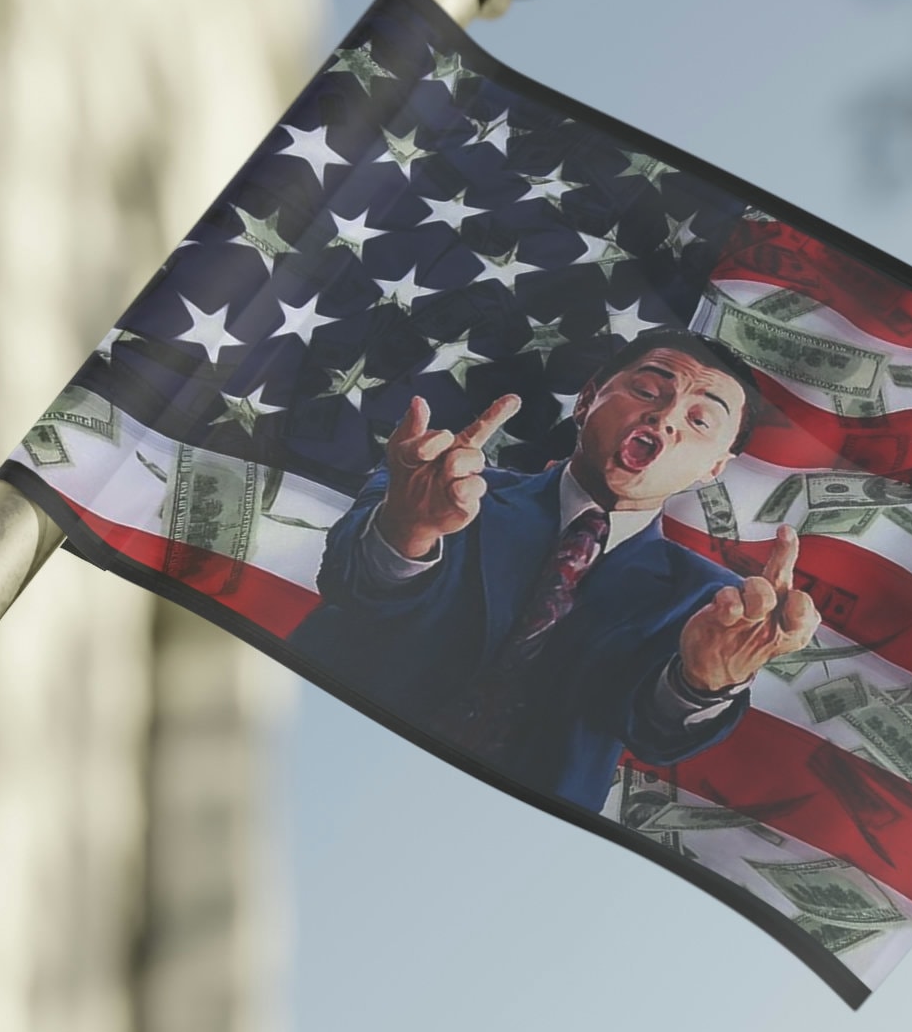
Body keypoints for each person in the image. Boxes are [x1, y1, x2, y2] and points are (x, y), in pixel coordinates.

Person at [290, 329, 820, 811]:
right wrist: (408, 530)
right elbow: (352, 586)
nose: (663, 420)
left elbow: (653, 731)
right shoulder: (437, 483)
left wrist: (705, 686)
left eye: (700, 421)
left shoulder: (711, 604)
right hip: (315, 750)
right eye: (648, 392)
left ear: (714, 468)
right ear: (588, 399)